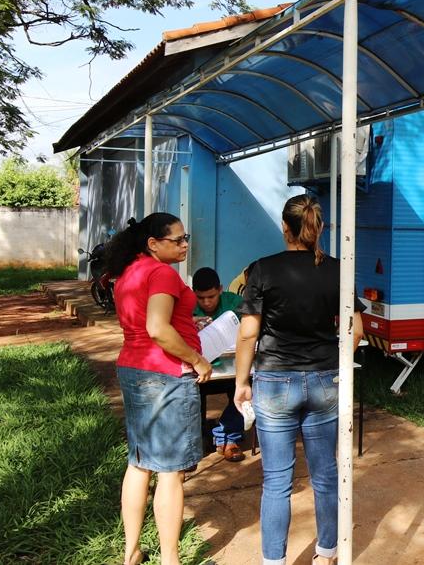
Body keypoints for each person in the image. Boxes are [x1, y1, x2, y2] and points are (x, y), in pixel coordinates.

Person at [233, 194, 365, 565]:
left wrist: (241, 381)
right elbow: (355, 331)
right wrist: (336, 363)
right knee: (325, 475)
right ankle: (326, 554)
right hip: (325, 381)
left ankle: (274, 561)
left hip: (275, 382)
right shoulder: (338, 268)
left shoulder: (262, 269)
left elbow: (247, 333)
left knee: (277, 480)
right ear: (320, 228)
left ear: (285, 227)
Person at [106, 213, 212, 565]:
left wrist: (187, 322)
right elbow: (157, 328)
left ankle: (131, 551)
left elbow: (150, 320)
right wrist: (197, 359)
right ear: (153, 243)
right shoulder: (162, 273)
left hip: (133, 368)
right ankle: (171, 560)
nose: (185, 245)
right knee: (170, 472)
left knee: (139, 463)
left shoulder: (130, 271)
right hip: (165, 373)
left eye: (187, 239)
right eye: (178, 240)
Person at [192, 266, 245, 462]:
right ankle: (202, 437)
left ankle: (228, 436)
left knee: (250, 389)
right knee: (189, 394)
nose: (206, 302)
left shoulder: (235, 302)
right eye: (201, 298)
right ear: (193, 294)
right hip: (200, 371)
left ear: (220, 289)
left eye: (211, 296)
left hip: (232, 367)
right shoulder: (186, 308)